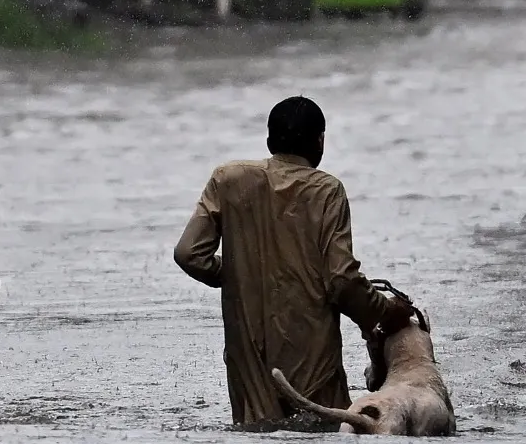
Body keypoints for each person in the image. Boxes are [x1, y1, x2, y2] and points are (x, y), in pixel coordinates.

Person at [173, 96, 415, 426]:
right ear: (320, 142)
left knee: (256, 440)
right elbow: (342, 281)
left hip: (250, 364)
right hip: (313, 365)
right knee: (323, 435)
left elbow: (189, 254)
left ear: (270, 140)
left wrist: (240, 274)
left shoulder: (227, 180)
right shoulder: (327, 191)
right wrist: (387, 312)